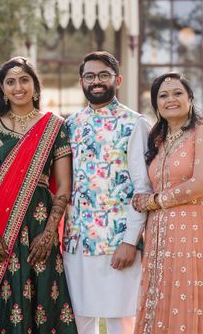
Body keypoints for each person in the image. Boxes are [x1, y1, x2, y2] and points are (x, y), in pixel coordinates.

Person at [0, 56, 77, 334]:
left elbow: (64, 185)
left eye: (24, 80)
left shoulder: (54, 126)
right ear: (2, 89)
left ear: (35, 87)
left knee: (42, 302)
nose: (18, 87)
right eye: (10, 82)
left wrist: (50, 232)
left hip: (39, 228)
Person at [132, 72, 203, 334]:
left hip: (194, 230)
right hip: (159, 234)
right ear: (156, 104)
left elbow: (202, 183)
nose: (170, 99)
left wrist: (155, 201)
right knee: (163, 293)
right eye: (163, 95)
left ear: (190, 98)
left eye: (177, 93)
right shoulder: (157, 138)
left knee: (191, 292)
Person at [63, 51, 152, 334]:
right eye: (90, 76)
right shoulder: (70, 124)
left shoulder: (134, 123)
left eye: (104, 75)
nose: (97, 81)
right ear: (81, 82)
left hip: (118, 240)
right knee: (81, 319)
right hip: (77, 239)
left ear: (118, 80)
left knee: (121, 320)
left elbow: (142, 187)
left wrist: (130, 240)